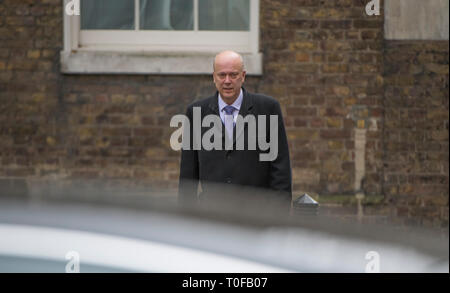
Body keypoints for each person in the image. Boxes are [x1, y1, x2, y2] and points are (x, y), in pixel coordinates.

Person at [178, 51, 292, 211]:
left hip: (257, 215)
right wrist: (185, 217)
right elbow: (188, 175)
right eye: (222, 75)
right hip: (211, 215)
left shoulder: (268, 108)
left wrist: (280, 217)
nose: (227, 81)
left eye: (233, 75)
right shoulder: (196, 112)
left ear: (243, 76)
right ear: (214, 77)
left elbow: (280, 168)